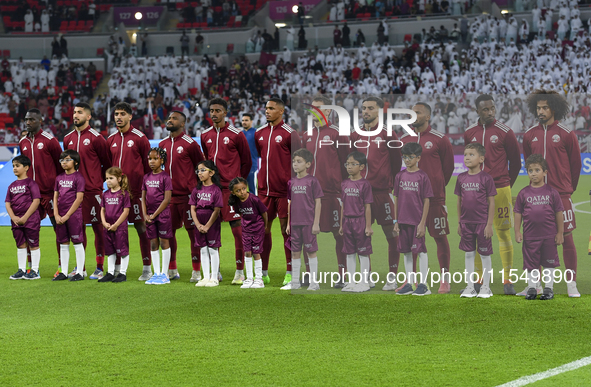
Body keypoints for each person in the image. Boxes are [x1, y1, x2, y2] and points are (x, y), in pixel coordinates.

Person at [522, 90, 581, 298]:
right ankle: (536, 284)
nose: (541, 111)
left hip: (561, 194)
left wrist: (567, 189)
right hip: (537, 195)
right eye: (538, 108)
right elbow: (529, 164)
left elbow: (576, 165)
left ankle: (571, 283)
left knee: (566, 238)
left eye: (545, 107)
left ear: (553, 108)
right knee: (536, 240)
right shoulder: (529, 135)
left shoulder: (566, 134)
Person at [463, 94, 521, 295]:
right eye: (485, 109)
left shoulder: (506, 132)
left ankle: (508, 280)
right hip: (476, 192)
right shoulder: (469, 132)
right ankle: (478, 279)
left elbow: (516, 163)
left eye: (492, 108)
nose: (490, 112)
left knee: (503, 233)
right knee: (478, 234)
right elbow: (469, 160)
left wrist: (505, 185)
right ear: (477, 111)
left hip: (500, 189)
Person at [400, 102, 453, 294]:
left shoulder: (440, 139)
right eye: (412, 113)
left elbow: (448, 168)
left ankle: (445, 279)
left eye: (418, 113)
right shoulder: (405, 139)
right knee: (410, 239)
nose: (413, 115)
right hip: (410, 201)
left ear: (428, 116)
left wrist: (436, 186)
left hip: (435, 198)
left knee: (439, 237)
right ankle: (411, 281)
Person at [351, 97, 402, 291]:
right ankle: (367, 277)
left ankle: (392, 277)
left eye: (370, 108)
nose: (366, 111)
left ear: (379, 111)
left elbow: (396, 163)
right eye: (363, 108)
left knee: (392, 235)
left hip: (382, 193)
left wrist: (390, 183)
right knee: (362, 236)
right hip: (360, 195)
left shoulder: (389, 134)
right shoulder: (355, 135)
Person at [201, 98, 252, 285]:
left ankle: (240, 271)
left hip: (230, 192)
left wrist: (237, 184)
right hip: (212, 191)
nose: (214, 113)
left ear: (225, 113)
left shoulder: (236, 134)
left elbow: (247, 161)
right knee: (212, 232)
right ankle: (216, 271)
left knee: (238, 232)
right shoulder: (205, 135)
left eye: (218, 110)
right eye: (211, 110)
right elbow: (206, 163)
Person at [303, 95, 349, 287]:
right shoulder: (306, 135)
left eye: (320, 108)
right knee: (306, 234)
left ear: (329, 111)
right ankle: (308, 274)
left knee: (339, 234)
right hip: (308, 195)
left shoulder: (338, 133)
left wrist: (344, 189)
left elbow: (347, 163)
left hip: (332, 193)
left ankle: (342, 274)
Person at [255, 98, 302, 285]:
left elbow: (299, 161)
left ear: (281, 111)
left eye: (271, 108)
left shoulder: (290, 134)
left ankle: (290, 272)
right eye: (266, 108)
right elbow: (262, 157)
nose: (267, 111)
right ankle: (263, 271)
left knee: (286, 231)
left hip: (284, 191)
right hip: (264, 192)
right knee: (263, 230)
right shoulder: (259, 133)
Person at [64, 102, 112, 280]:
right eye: (74, 112)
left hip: (92, 191)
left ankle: (99, 266)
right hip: (72, 191)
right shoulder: (67, 138)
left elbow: (107, 164)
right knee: (78, 229)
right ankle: (80, 267)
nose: (75, 115)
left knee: (98, 229)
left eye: (80, 112)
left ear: (89, 116)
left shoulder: (96, 138)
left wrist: (95, 181)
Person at [107, 102, 153, 280]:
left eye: (122, 114)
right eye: (116, 114)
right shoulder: (110, 140)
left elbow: (147, 166)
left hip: (135, 193)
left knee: (141, 227)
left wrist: (145, 191)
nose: (119, 117)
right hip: (115, 195)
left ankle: (147, 267)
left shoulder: (140, 138)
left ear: (130, 116)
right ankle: (116, 267)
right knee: (115, 229)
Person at [159, 110, 205, 281]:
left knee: (193, 234)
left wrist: (197, 192)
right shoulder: (162, 145)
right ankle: (172, 269)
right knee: (168, 233)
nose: (170, 120)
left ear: (183, 123)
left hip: (187, 197)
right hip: (168, 198)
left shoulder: (190, 144)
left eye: (174, 118)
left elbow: (200, 167)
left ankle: (196, 270)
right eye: (169, 117)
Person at [514, 154, 564, 301]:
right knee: (531, 264)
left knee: (549, 263)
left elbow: (559, 213)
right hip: (530, 236)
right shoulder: (523, 193)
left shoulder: (552, 192)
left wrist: (560, 232)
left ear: (545, 172)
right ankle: (532, 288)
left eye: (537, 170)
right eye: (530, 170)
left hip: (549, 235)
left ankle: (549, 289)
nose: (533, 173)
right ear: (527, 172)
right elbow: (518, 213)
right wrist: (517, 231)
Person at [19, 108, 63, 275]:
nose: (28, 122)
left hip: (49, 193)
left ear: (40, 121)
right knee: (29, 229)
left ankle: (61, 267)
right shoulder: (22, 142)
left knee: (57, 228)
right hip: (30, 195)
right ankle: (30, 268)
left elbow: (60, 165)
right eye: (26, 119)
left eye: (32, 119)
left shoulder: (50, 141)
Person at [456, 143, 496, 299]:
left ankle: (486, 287)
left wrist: (489, 224)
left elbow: (491, 202)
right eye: (465, 154)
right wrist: (460, 222)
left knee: (485, 255)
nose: (467, 157)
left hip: (482, 223)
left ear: (481, 159)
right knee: (468, 254)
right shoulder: (461, 178)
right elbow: (458, 201)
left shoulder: (486, 178)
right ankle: (470, 287)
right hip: (466, 223)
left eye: (471, 154)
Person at [393, 143, 433, 296]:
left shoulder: (422, 176)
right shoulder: (400, 176)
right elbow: (396, 198)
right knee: (406, 252)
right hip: (403, 221)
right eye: (404, 157)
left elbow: (427, 200)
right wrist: (396, 221)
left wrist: (423, 223)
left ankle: (423, 284)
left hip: (417, 221)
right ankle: (410, 283)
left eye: (410, 157)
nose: (407, 160)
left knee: (421, 251)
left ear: (418, 158)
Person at [282, 148, 323, 291]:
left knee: (311, 251)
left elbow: (318, 202)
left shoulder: (312, 181)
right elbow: (290, 203)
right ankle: (295, 282)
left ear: (308, 164)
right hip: (295, 223)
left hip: (308, 223)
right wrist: (288, 223)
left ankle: (314, 282)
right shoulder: (291, 182)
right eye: (294, 162)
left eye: (299, 161)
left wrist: (316, 223)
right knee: (295, 252)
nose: (295, 164)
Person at [339, 151, 373, 293]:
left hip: (360, 222)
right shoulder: (344, 183)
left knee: (363, 253)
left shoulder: (365, 184)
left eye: (353, 164)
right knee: (350, 253)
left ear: (362, 167)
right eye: (348, 164)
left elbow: (367, 206)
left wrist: (368, 226)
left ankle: (365, 282)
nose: (349, 167)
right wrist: (341, 224)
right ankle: (351, 282)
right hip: (347, 222)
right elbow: (342, 205)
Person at [52, 149, 86, 282]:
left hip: (73, 216)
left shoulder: (79, 177)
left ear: (76, 162)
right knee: (63, 243)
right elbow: (55, 197)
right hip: (59, 216)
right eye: (62, 160)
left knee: (77, 242)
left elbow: (79, 199)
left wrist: (66, 215)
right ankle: (64, 272)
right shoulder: (59, 178)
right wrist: (56, 214)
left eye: (67, 160)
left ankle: (79, 272)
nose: (64, 162)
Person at [6, 155, 41, 280]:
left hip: (31, 220)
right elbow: (7, 203)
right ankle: (21, 269)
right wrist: (13, 217)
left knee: (33, 244)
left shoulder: (31, 183)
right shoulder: (11, 185)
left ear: (26, 167)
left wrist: (25, 217)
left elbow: (36, 201)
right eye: (13, 166)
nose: (15, 168)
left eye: (18, 166)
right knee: (20, 244)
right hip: (16, 221)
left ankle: (35, 271)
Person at [229, 177, 268, 289]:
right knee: (247, 252)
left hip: (257, 229)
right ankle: (249, 278)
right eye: (238, 190)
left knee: (256, 253)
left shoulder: (254, 199)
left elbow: (264, 212)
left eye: (244, 188)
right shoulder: (236, 202)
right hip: (246, 230)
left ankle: (259, 279)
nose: (242, 192)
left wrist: (264, 226)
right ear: (233, 193)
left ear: (247, 187)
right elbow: (240, 214)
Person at [190, 160, 223, 287]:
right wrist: (198, 224)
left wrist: (207, 226)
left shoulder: (216, 190)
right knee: (202, 249)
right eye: (198, 170)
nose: (200, 173)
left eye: (203, 170)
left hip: (212, 223)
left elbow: (217, 210)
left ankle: (214, 277)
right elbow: (192, 208)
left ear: (211, 173)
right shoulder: (196, 190)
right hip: (199, 222)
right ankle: (205, 277)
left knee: (213, 249)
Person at [142, 148, 173, 285]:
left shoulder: (165, 177)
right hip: (149, 216)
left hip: (163, 215)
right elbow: (143, 198)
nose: (152, 161)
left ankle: (165, 274)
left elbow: (166, 199)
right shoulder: (146, 177)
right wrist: (145, 215)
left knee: (164, 242)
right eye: (150, 159)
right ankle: (156, 273)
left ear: (162, 160)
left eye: (155, 158)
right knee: (153, 243)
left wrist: (154, 214)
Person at [98, 167, 132, 283]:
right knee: (110, 251)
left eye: (111, 178)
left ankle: (122, 273)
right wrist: (104, 222)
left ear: (118, 179)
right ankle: (110, 272)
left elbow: (126, 211)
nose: (108, 180)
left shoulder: (124, 194)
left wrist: (117, 224)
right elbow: (102, 210)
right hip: (107, 227)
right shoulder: (105, 194)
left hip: (119, 228)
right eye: (106, 178)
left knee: (122, 250)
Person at [241, 113, 259, 194]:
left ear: (251, 121)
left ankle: (254, 205)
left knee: (252, 189)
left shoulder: (256, 133)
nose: (244, 122)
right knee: (240, 188)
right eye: (243, 120)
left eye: (246, 120)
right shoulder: (239, 134)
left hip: (252, 165)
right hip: (240, 166)